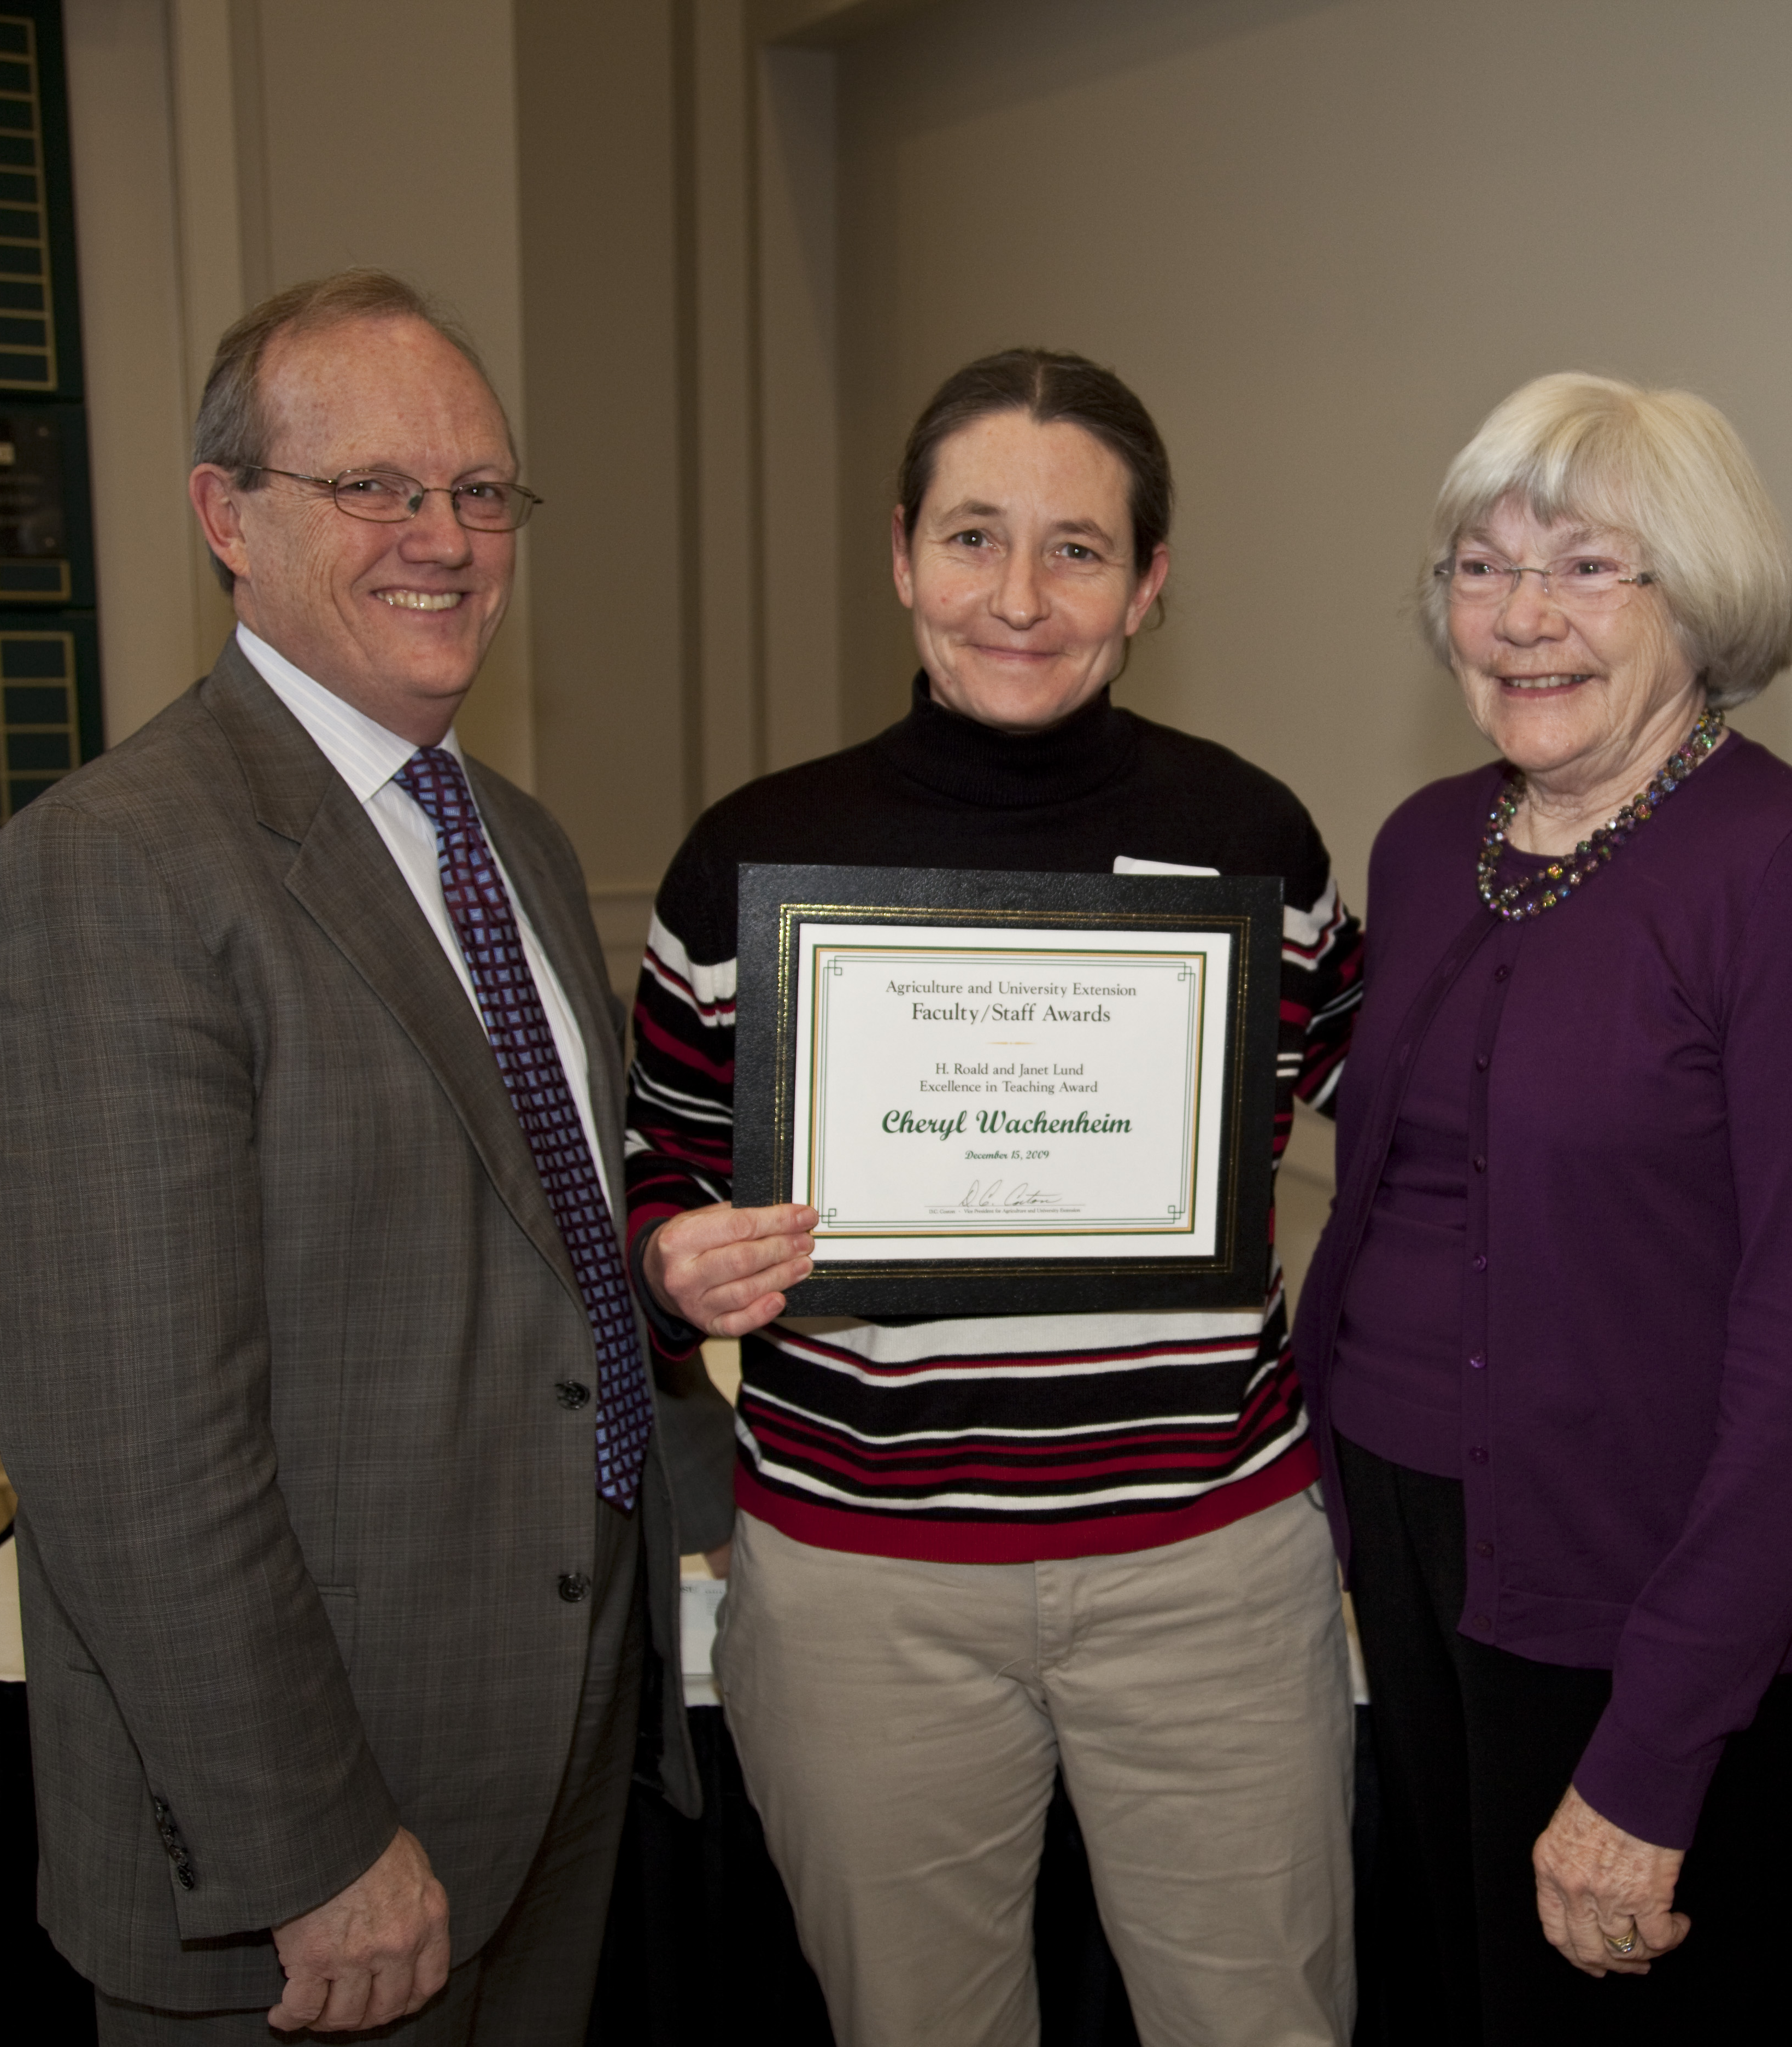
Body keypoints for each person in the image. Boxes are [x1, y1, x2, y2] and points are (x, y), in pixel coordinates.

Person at [0, 271, 718, 2043]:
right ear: (230, 516)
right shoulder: (112, 873)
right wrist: (310, 1844)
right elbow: (133, 1452)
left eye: (480, 491)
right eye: (374, 486)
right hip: (315, 1849)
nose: (441, 536)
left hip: (554, 1748)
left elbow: (539, 1251)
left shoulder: (501, 832)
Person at [622, 347, 1364, 2047]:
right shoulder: (749, 861)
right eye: (973, 538)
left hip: (1209, 1569)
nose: (1019, 597)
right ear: (900, 555)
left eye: (1078, 548)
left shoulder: (1256, 839)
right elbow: (652, 1172)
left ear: (1152, 582)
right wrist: (677, 1262)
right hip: (866, 1582)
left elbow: (1403, 1139)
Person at [1286, 372, 1792, 2041]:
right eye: (1481, 569)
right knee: (1456, 1995)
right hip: (1417, 1565)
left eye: (1586, 568)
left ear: (1702, 598)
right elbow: (1395, 1197)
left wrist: (1652, 1757)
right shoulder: (1433, 842)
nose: (1521, 618)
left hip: (1653, 1614)